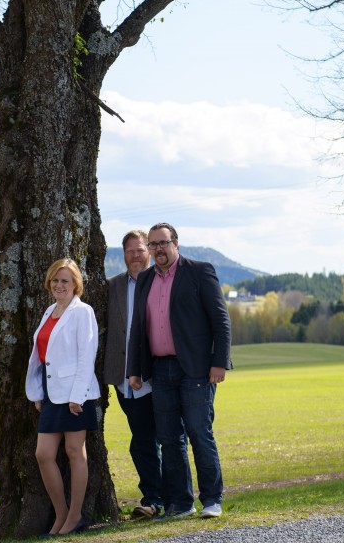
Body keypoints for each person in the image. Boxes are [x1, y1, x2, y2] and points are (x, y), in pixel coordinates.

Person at [127, 222, 232, 519]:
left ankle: (211, 500)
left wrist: (219, 362)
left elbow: (220, 320)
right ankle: (182, 503)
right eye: (153, 244)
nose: (158, 249)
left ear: (176, 243)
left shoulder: (200, 271)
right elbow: (138, 327)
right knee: (170, 438)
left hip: (197, 370)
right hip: (160, 370)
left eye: (164, 243)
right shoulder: (145, 279)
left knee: (200, 432)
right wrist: (135, 369)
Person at [103, 230, 190, 519]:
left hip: (155, 375)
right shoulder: (113, 286)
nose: (136, 255)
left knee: (159, 437)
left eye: (141, 249)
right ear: (123, 255)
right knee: (142, 439)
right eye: (130, 251)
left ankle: (161, 498)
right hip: (123, 378)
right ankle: (158, 498)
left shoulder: (158, 280)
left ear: (150, 251)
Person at [25, 258, 100, 535]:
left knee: (73, 452)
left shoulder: (83, 312)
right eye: (55, 280)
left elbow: (86, 355)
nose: (59, 285)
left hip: (74, 394)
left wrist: (77, 396)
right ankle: (61, 515)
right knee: (43, 454)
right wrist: (36, 390)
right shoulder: (49, 311)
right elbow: (41, 357)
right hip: (50, 393)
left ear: (75, 284)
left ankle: (75, 517)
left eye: (65, 281)